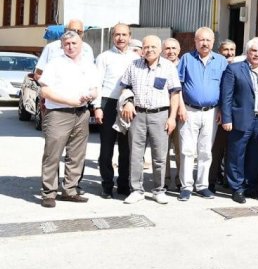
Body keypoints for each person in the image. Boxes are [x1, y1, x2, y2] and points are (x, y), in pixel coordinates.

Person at [38, 30, 98, 207]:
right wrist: (68, 101)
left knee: (77, 155)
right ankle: (49, 193)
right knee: (52, 154)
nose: (70, 47)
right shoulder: (54, 64)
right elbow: (45, 91)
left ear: (81, 45)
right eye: (67, 44)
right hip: (58, 113)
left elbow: (95, 89)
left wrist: (91, 96)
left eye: (74, 43)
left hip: (81, 113)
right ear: (62, 46)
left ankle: (70, 190)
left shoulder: (88, 64)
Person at [119, 35, 182, 205]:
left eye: (153, 47)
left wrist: (172, 118)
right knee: (136, 154)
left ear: (160, 48)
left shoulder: (168, 67)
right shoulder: (133, 65)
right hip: (137, 115)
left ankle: (158, 190)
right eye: (146, 47)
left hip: (160, 115)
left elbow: (175, 94)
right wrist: (128, 102)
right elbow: (125, 87)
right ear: (142, 49)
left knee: (160, 155)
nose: (149, 50)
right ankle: (136, 190)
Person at [176, 27, 228, 202]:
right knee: (187, 150)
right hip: (189, 111)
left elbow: (224, 89)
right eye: (201, 40)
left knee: (206, 151)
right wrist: (181, 108)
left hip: (212, 112)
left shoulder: (221, 61)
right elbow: (178, 86)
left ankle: (202, 185)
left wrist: (221, 109)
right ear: (195, 42)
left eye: (208, 40)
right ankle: (186, 186)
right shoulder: (186, 59)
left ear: (213, 42)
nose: (204, 43)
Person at [220, 38, 258, 204]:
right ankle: (237, 188)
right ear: (247, 52)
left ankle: (251, 187)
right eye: (253, 51)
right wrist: (227, 118)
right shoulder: (234, 69)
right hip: (240, 119)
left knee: (255, 156)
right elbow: (226, 96)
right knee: (236, 155)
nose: (257, 54)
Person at [92, 23, 139, 198]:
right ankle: (106, 184)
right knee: (106, 149)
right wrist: (97, 107)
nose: (120, 38)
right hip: (108, 104)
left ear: (130, 37)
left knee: (126, 149)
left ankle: (123, 184)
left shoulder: (136, 58)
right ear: (112, 37)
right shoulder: (104, 57)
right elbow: (97, 83)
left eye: (124, 35)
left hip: (128, 105)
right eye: (117, 34)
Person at [209, 39, 237, 192]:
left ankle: (227, 180)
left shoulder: (239, 67)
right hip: (219, 114)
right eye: (226, 49)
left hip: (235, 115)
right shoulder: (217, 66)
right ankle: (211, 181)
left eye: (232, 49)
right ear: (219, 51)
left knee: (231, 150)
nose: (229, 53)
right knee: (216, 150)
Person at [162, 38, 183, 191]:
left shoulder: (186, 65)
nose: (171, 51)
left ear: (179, 50)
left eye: (173, 48)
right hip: (163, 112)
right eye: (167, 48)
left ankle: (180, 179)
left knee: (181, 148)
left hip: (182, 112)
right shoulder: (159, 66)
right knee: (163, 148)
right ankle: (164, 179)